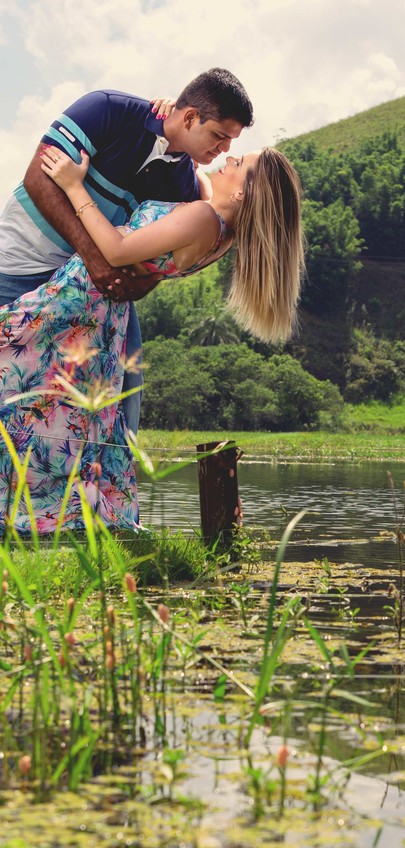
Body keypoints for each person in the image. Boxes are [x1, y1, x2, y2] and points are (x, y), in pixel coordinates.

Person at [0, 145, 304, 534]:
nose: (229, 159)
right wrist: (178, 142)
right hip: (103, 319)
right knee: (57, 413)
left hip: (78, 302)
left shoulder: (201, 218)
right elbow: (200, 185)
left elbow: (116, 249)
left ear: (243, 192)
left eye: (239, 163)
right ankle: (43, 508)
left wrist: (74, 187)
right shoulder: (222, 232)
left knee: (26, 398)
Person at [0, 67, 254, 433]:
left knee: (122, 396)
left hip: (88, 292)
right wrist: (94, 258)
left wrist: (138, 285)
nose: (225, 149)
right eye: (219, 135)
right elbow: (38, 179)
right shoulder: (107, 110)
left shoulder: (185, 182)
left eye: (231, 142)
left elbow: (160, 256)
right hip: (19, 264)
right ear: (190, 116)